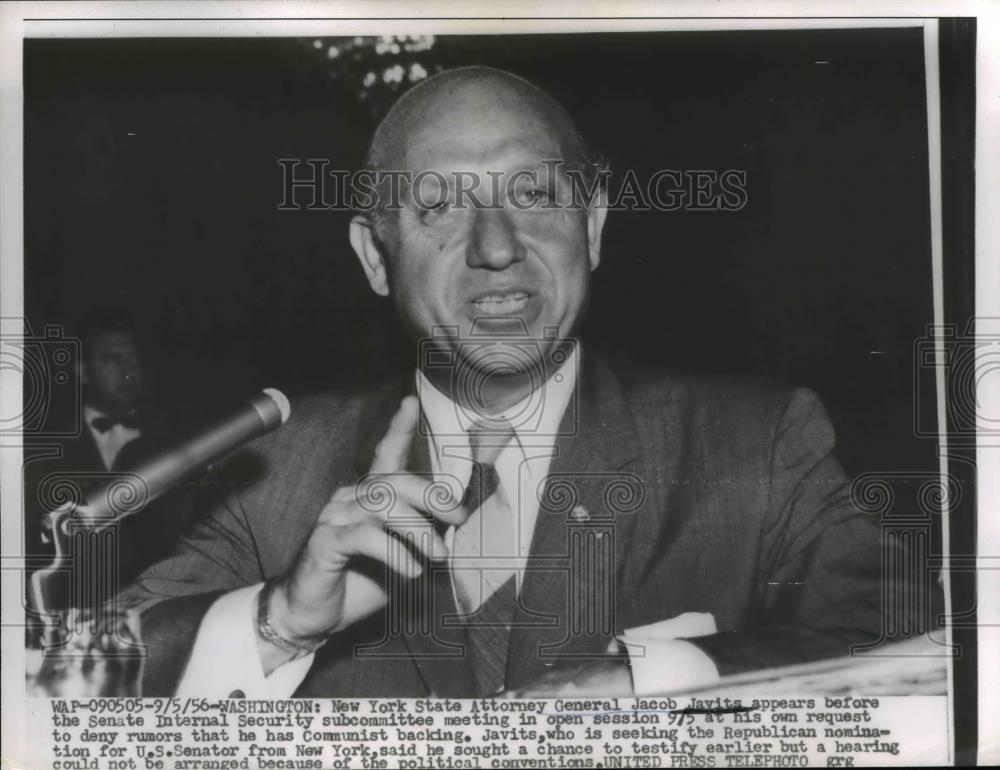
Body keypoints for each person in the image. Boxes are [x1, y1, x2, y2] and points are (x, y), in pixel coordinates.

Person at [120, 66, 931, 698]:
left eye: (536, 194)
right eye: (438, 206)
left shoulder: (757, 444)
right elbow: (84, 668)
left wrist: (661, 677)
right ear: (375, 256)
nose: (498, 246)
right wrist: (281, 623)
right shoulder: (276, 471)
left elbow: (915, 645)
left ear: (595, 225)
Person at [24, 310, 195, 607]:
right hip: (79, 611)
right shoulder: (44, 453)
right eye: (113, 359)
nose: (129, 371)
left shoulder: (174, 440)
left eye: (133, 358)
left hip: (161, 604)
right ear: (83, 372)